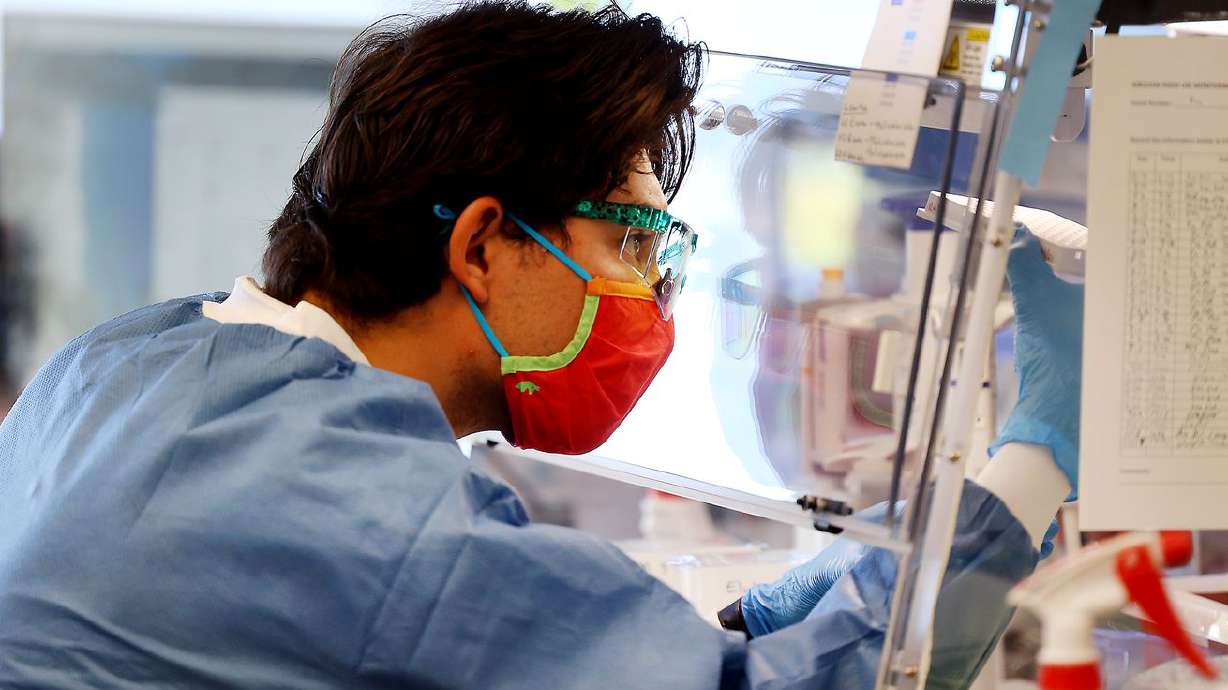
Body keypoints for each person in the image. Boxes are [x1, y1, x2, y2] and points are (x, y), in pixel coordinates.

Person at [0, 3, 1084, 688]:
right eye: (626, 243)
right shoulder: (363, 504)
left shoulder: (122, 362)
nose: (651, 302)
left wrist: (750, 618)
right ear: (482, 245)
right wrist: (1036, 447)